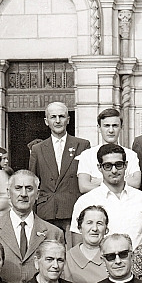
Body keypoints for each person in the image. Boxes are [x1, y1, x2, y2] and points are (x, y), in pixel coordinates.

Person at [0, 171, 64, 283]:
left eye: (29, 188)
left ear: (37, 194)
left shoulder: (54, 233)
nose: (23, 194)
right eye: (18, 188)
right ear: (8, 192)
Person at [70, 144, 142, 250]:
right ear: (99, 168)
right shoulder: (85, 201)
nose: (114, 170)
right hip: (100, 264)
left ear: (126, 165)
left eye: (118, 165)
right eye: (108, 166)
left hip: (136, 263)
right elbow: (77, 246)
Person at [28, 101, 91, 239]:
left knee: (72, 254)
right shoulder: (37, 150)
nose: (57, 121)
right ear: (46, 121)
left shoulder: (82, 145)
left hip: (72, 210)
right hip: (46, 212)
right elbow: (32, 183)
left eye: (61, 117)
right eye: (53, 117)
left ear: (68, 120)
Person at [76, 107, 141, 193]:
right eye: (106, 126)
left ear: (121, 127)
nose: (111, 130)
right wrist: (120, 182)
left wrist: (98, 181)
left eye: (115, 126)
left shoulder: (131, 155)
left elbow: (136, 183)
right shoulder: (87, 155)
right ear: (99, 128)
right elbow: (84, 186)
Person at [64, 205, 109, 283]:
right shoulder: (66, 259)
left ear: (106, 230)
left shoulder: (113, 257)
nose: (94, 228)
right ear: (80, 228)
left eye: (99, 223)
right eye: (89, 223)